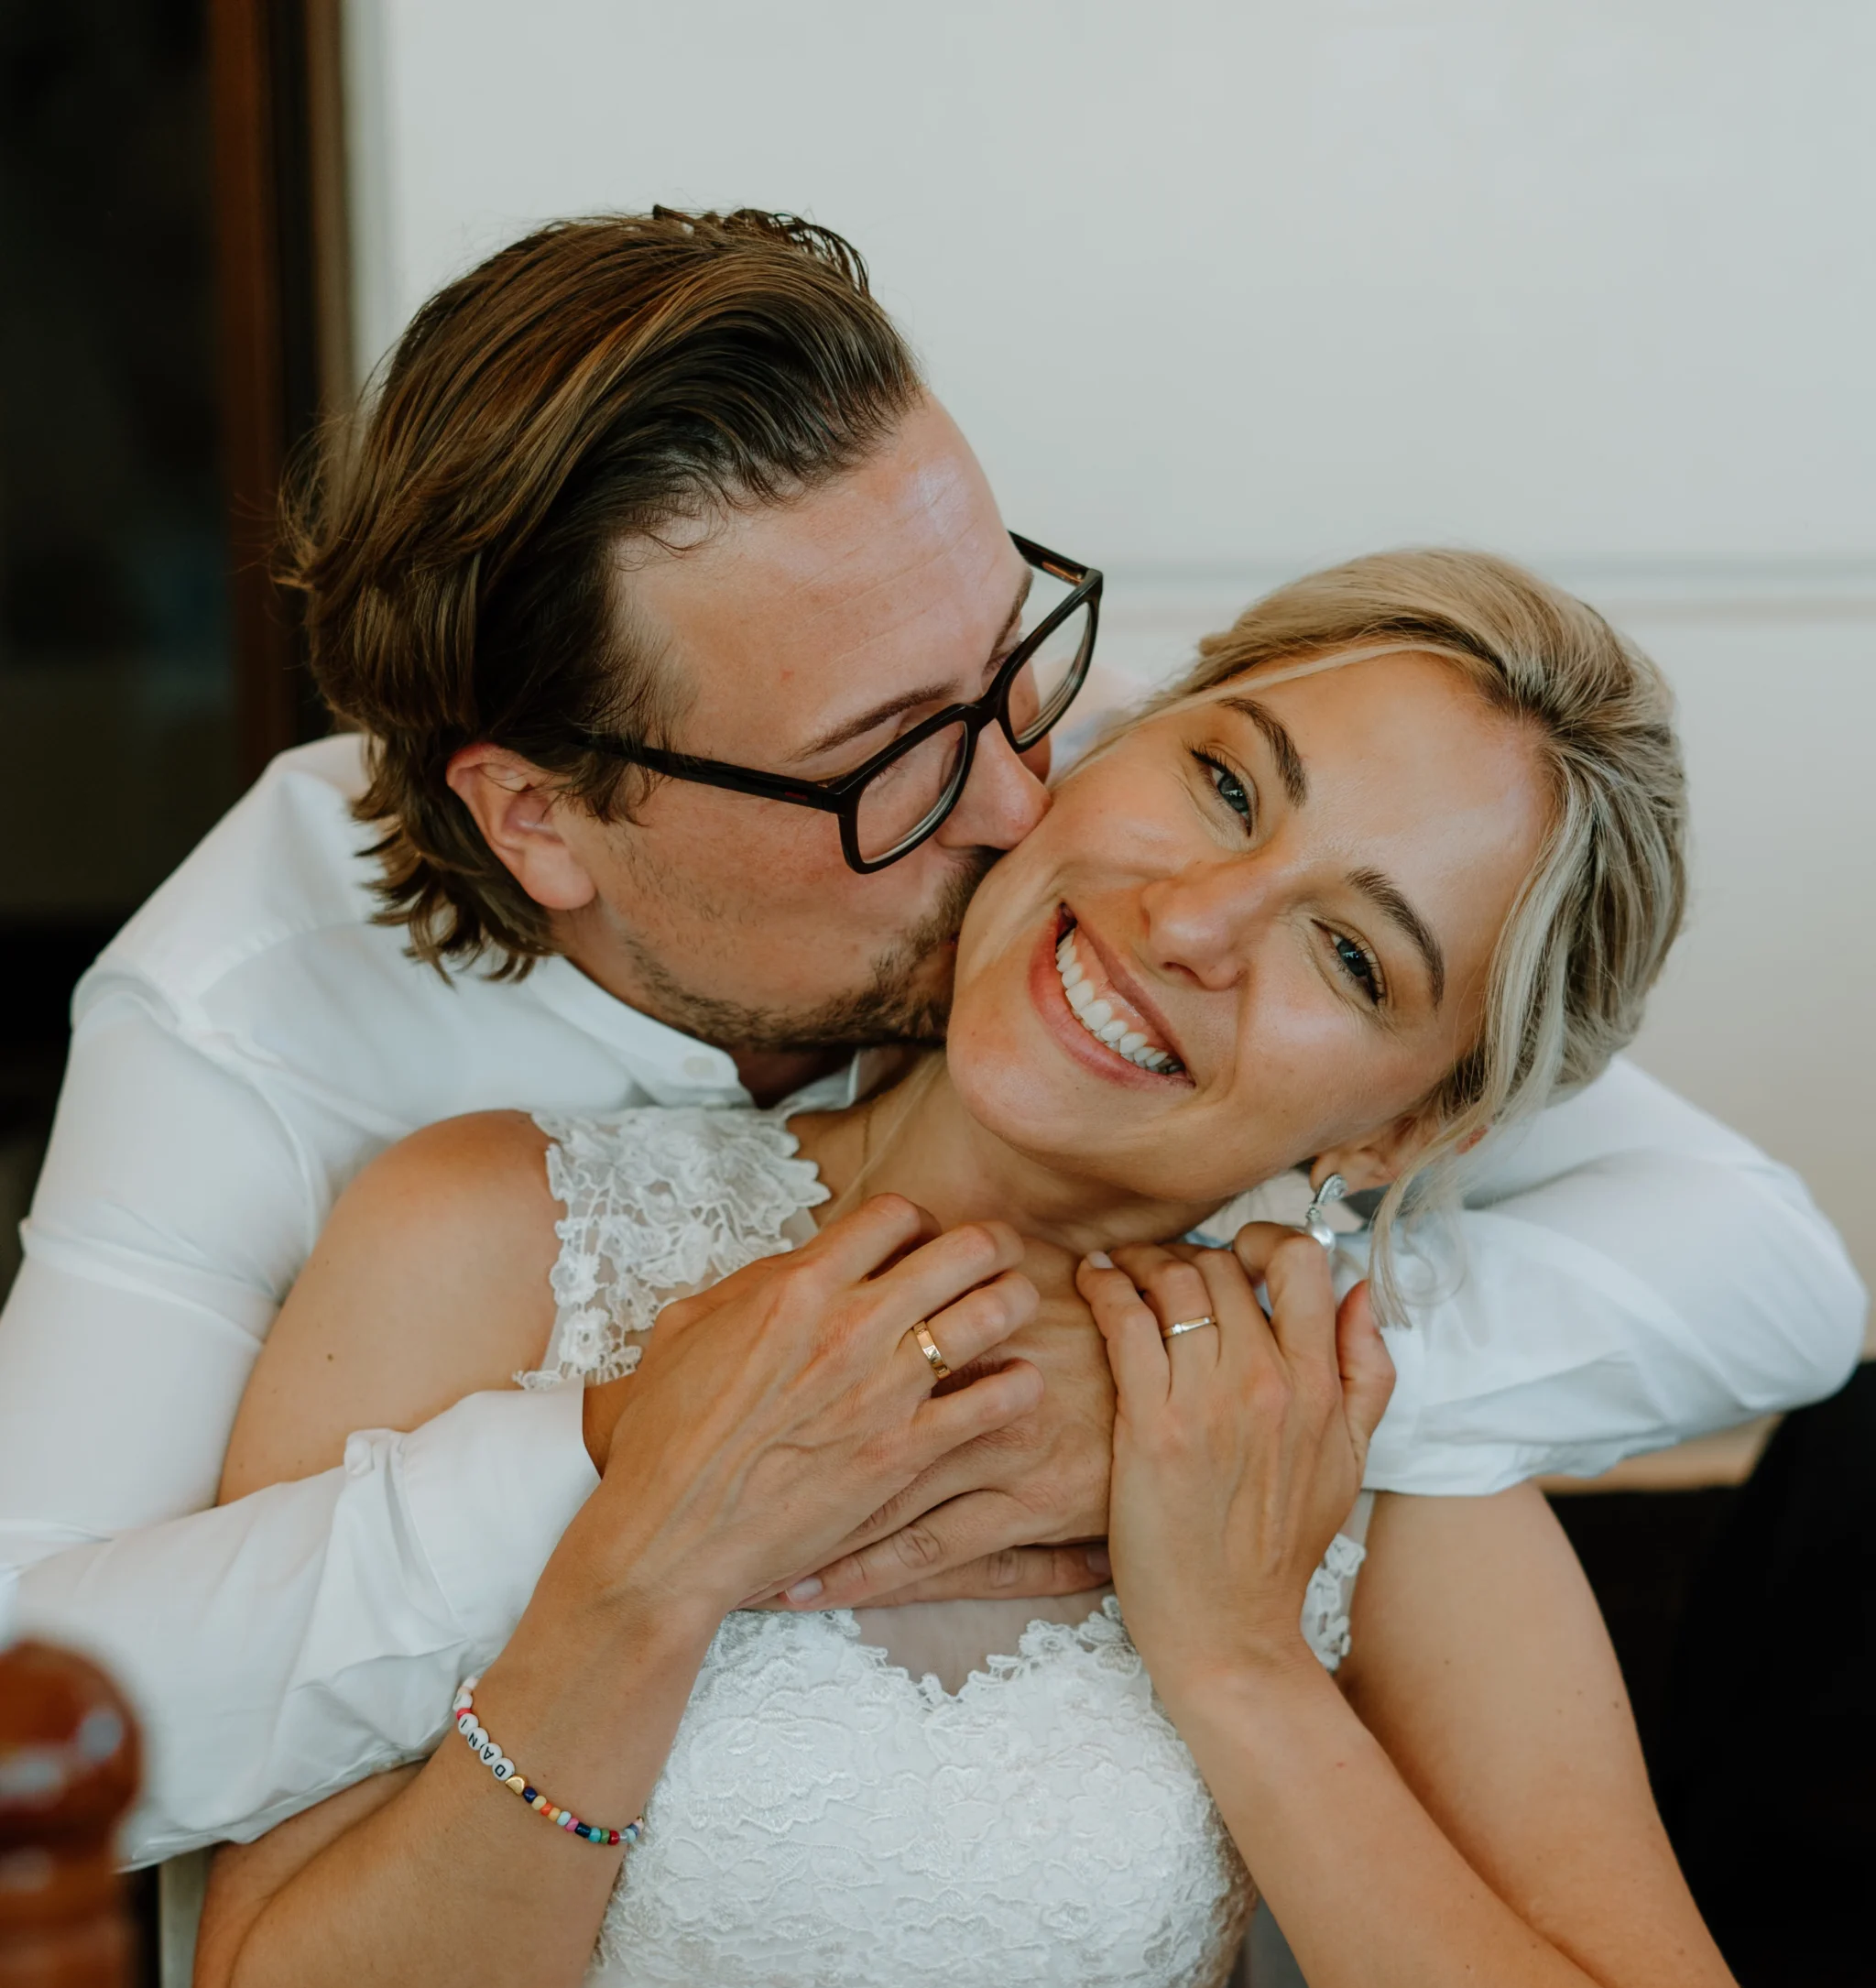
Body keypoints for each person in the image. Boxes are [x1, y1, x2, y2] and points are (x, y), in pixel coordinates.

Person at [0, 213, 1861, 1867]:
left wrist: (1140, 1388)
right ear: (544, 819)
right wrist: (637, 1464)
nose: (1018, 803)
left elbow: (1766, 1267)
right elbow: (32, 1707)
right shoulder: (242, 1014)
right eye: (887, 761)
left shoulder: (1118, 833)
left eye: (1011, 655)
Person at [195, 552, 1799, 1988]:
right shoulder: (491, 1241)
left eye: (1348, 953)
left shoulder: (1344, 1459)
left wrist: (1244, 1663)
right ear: (1089, 751)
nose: (1193, 922)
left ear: (1403, 1130)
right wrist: (652, 1567)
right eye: (1224, 781)